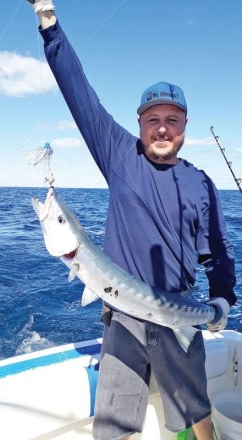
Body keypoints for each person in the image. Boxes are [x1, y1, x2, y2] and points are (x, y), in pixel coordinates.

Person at [27, 2, 237, 439]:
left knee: (193, 413)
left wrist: (222, 300)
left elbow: (218, 253)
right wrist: (49, 22)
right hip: (121, 318)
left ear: (184, 127)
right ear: (139, 124)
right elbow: (79, 93)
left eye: (171, 121)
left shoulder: (201, 184)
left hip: (180, 309)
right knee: (114, 425)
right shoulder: (120, 155)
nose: (162, 129)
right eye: (153, 120)